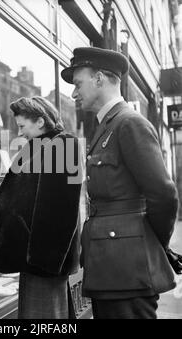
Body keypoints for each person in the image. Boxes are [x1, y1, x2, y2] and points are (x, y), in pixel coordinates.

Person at [61, 47, 179, 319]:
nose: (74, 93)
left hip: (128, 268)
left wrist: (147, 241)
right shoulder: (107, 125)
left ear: (99, 78)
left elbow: (164, 195)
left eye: (78, 84)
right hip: (111, 267)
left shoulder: (129, 124)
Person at [0, 96, 82, 319]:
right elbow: (35, 191)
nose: (20, 132)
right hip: (39, 258)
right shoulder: (47, 146)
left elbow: (57, 207)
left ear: (40, 121)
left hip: (44, 260)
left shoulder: (62, 145)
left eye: (23, 126)